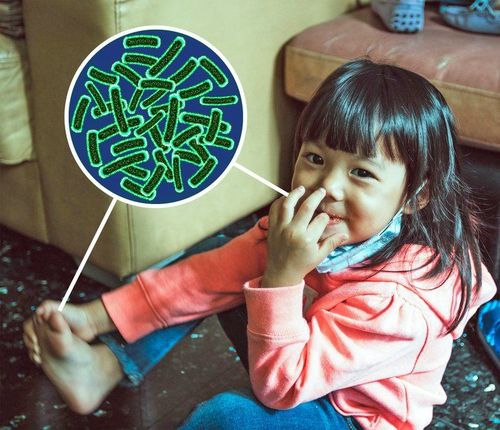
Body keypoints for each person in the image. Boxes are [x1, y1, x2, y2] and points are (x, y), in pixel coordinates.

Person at [23, 59, 497, 430]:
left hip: (348, 417)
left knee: (229, 417)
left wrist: (283, 278)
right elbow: (204, 276)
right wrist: (94, 316)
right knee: (224, 265)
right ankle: (104, 366)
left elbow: (281, 389)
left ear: (417, 196)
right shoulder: (323, 225)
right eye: (314, 158)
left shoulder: (397, 308)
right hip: (296, 361)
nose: (327, 186)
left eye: (361, 173)